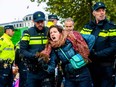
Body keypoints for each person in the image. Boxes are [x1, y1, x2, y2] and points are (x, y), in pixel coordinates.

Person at [80, 2, 116, 87]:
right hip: (91, 67)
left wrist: (96, 54)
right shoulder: (87, 27)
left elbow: (114, 47)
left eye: (103, 10)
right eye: (98, 10)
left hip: (106, 67)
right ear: (94, 13)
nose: (101, 12)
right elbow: (80, 42)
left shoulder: (111, 27)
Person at [20, 11, 53, 87]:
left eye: (42, 21)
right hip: (33, 71)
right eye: (38, 22)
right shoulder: (27, 32)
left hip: (46, 70)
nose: (40, 24)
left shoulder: (48, 31)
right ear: (33, 21)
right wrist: (35, 55)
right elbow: (22, 51)